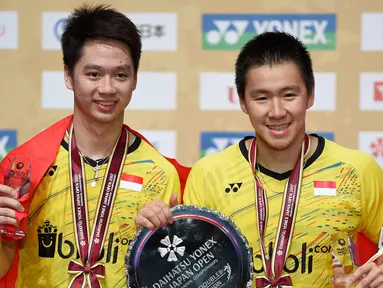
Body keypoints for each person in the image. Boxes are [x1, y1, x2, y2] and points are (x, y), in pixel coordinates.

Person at [135, 31, 383, 287]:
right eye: (261, 98)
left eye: (289, 95)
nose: (276, 112)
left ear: (310, 95)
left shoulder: (356, 170)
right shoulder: (210, 174)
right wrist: (153, 236)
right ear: (243, 101)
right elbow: (188, 274)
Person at [0, 4, 190, 287]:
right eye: (93, 74)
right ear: (68, 75)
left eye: (121, 75)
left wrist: (153, 245)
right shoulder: (25, 168)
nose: (107, 88)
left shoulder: (159, 174)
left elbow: (170, 276)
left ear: (135, 79)